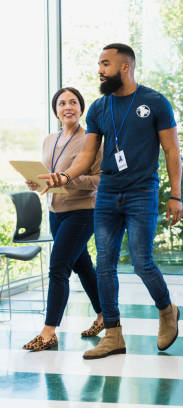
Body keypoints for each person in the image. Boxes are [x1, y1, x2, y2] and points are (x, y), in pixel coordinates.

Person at [39, 43, 183, 359]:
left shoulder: (154, 102)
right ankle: (114, 335)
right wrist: (64, 177)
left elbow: (172, 150)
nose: (100, 70)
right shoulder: (99, 108)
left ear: (125, 67)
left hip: (141, 193)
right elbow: (88, 154)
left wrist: (176, 195)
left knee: (141, 261)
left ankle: (167, 310)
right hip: (106, 195)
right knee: (104, 264)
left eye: (105, 63)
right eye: (99, 64)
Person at [22, 87, 104, 352]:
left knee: (58, 268)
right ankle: (105, 316)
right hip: (56, 211)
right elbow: (51, 175)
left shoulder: (92, 140)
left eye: (72, 102)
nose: (67, 107)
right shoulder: (49, 140)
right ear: (55, 110)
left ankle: (48, 332)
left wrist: (69, 180)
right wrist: (38, 182)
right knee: (82, 266)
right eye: (61, 103)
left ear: (81, 108)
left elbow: (101, 179)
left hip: (83, 211)